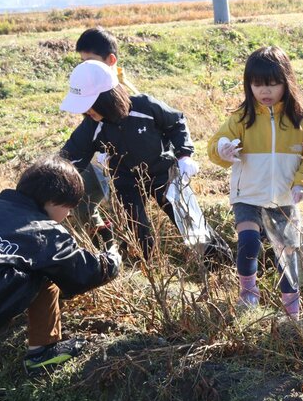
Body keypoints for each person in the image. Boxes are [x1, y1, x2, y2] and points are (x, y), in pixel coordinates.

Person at [0, 155, 121, 376]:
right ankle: (42, 352)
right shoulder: (44, 229)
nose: (68, 215)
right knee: (44, 270)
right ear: (54, 200)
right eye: (69, 207)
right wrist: (113, 259)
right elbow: (84, 273)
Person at [207, 47, 303, 319]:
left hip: (285, 201)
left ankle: (292, 313)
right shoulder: (241, 118)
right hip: (247, 196)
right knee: (249, 242)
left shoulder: (300, 121)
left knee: (287, 258)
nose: (265, 91)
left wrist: (302, 183)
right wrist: (224, 150)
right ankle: (248, 296)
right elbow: (214, 145)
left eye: (272, 84)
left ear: (286, 82)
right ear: (249, 85)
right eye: (257, 85)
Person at [59, 59, 200, 259]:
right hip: (125, 181)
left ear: (106, 99)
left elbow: (176, 122)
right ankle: (146, 266)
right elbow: (69, 157)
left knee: (190, 222)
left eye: (90, 105)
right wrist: (52, 181)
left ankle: (217, 262)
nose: (86, 111)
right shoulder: (92, 125)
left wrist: (184, 154)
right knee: (136, 229)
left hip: (163, 173)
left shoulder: (144, 106)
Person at [71, 27, 140, 247]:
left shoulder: (124, 93)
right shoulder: (90, 86)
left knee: (122, 209)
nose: (86, 67)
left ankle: (132, 251)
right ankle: (105, 243)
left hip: (121, 163)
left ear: (111, 60)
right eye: (82, 62)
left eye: (91, 61)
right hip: (97, 160)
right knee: (81, 199)